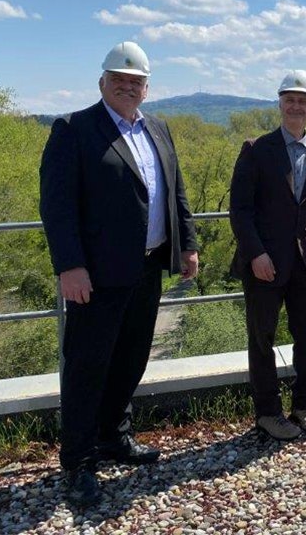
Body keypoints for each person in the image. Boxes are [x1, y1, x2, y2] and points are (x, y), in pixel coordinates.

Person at [39, 41, 199, 508]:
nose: (128, 87)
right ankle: (79, 463)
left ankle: (114, 436)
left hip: (148, 267)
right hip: (95, 276)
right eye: (120, 80)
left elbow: (177, 192)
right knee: (88, 367)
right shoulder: (74, 129)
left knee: (131, 359)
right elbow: (57, 205)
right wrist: (70, 266)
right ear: (102, 83)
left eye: (136, 82)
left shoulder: (159, 129)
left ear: (147, 88)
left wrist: (186, 244)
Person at [229, 70, 306, 441]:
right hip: (266, 264)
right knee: (262, 338)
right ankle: (268, 413)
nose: (296, 106)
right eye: (289, 99)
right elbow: (240, 209)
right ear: (280, 104)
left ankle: (303, 406)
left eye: (303, 100)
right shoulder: (256, 149)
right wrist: (255, 253)